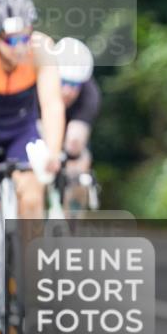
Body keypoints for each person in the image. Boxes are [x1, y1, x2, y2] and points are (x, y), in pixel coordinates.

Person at [0, 0, 64, 219]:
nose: (21, 47)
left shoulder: (41, 49)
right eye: (13, 40)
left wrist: (54, 151)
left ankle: (29, 254)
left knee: (31, 195)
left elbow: (52, 105)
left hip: (21, 127)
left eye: (26, 37)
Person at [53, 37, 101, 210]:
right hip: (41, 127)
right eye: (63, 82)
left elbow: (76, 139)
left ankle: (70, 224)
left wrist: (70, 155)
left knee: (78, 169)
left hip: (69, 132)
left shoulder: (90, 95)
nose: (67, 91)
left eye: (74, 85)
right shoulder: (40, 85)